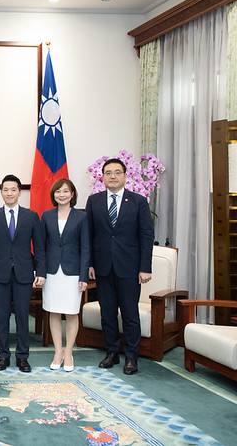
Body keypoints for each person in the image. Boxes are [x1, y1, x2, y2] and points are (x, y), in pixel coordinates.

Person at [85, 157, 154, 375]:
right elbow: (89, 235)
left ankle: (132, 356)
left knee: (129, 313)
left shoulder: (138, 201)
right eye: (108, 173)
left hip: (130, 267)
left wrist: (145, 267)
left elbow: (146, 235)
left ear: (125, 176)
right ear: (102, 177)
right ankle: (112, 352)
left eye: (117, 172)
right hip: (103, 267)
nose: (112, 176)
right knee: (107, 313)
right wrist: (90, 264)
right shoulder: (94, 201)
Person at [0, 174, 45, 373]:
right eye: (6, 190)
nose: (9, 193)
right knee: (1, 316)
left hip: (24, 273)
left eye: (13, 190)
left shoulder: (31, 216)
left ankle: (23, 357)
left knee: (23, 316)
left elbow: (40, 248)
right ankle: (3, 355)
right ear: (1, 192)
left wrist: (41, 271)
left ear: (19, 192)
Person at [41, 178, 89, 372]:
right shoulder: (46, 216)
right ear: (53, 195)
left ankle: (68, 352)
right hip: (52, 272)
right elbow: (41, 247)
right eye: (58, 191)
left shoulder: (82, 217)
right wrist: (40, 272)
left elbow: (86, 248)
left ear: (72, 194)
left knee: (71, 312)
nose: (62, 195)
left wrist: (84, 276)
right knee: (53, 311)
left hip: (73, 272)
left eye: (65, 191)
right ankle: (57, 350)